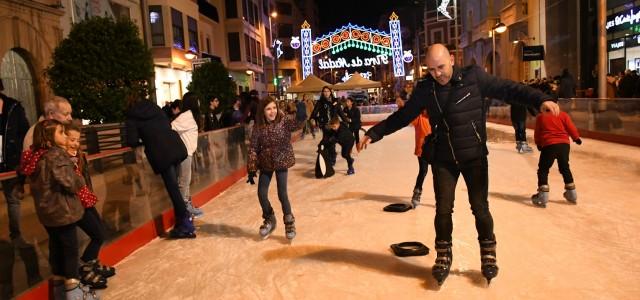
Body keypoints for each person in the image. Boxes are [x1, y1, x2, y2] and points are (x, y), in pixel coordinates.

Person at [357, 44, 559, 285]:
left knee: (479, 207)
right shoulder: (426, 88)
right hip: (443, 158)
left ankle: (488, 253)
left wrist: (541, 99)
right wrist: (375, 132)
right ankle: (443, 253)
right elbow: (403, 116)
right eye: (431, 69)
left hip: (473, 156)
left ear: (452, 60)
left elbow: (508, 89)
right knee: (443, 210)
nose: (437, 74)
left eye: (441, 67)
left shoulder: (474, 77)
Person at [20, 119, 98, 299]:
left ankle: (59, 291)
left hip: (47, 213)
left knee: (56, 249)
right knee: (71, 252)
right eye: (61, 132)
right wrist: (79, 178)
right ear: (49, 137)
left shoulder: (36, 155)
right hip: (63, 212)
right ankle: (75, 295)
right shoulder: (56, 155)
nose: (65, 135)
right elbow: (69, 182)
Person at [124, 91, 193, 239]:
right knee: (175, 187)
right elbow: (167, 123)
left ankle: (186, 224)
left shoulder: (131, 115)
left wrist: (145, 140)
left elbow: (132, 140)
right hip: (175, 146)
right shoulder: (154, 107)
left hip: (160, 152)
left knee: (173, 189)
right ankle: (182, 223)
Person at [64, 123, 115, 289]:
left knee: (101, 230)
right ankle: (86, 267)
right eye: (71, 140)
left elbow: (84, 179)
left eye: (77, 140)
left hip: (86, 200)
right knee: (98, 234)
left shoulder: (78, 156)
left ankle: (92, 263)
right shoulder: (61, 160)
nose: (75, 144)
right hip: (76, 204)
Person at [246, 97, 302, 240]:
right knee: (261, 193)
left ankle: (289, 222)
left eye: (274, 108)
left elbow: (296, 123)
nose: (272, 112)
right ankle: (270, 218)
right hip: (266, 162)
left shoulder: (284, 121)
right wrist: (251, 167)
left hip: (282, 160)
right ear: (263, 111)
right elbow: (253, 147)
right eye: (268, 109)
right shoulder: (258, 127)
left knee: (282, 193)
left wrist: (301, 116)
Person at [531, 108, 581, 207]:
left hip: (549, 144)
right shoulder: (563, 115)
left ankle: (543, 194)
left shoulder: (541, 116)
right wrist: (576, 138)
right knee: (564, 167)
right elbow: (570, 127)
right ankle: (572, 193)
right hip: (564, 145)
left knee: (543, 169)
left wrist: (538, 143)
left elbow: (538, 132)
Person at [0, 80, 30, 246]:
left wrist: (19, 156)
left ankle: (16, 235)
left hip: (10, 161)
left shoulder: (13, 107)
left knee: (13, 200)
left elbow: (24, 132)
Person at [171, 92, 203, 218]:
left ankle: (187, 205)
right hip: (184, 154)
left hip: (189, 153)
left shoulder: (191, 116)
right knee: (183, 182)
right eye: (198, 100)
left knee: (187, 181)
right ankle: (182, 210)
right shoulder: (186, 116)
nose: (200, 103)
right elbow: (171, 127)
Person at [310, 86, 348, 166]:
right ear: (322, 93)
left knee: (332, 142)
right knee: (327, 140)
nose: (326, 93)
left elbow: (340, 112)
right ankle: (329, 156)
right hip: (325, 125)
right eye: (324, 91)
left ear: (330, 92)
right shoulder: (320, 102)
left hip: (334, 125)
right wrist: (312, 118)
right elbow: (314, 112)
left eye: (327, 91)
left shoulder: (335, 101)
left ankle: (332, 158)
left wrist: (346, 121)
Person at [409, 108, 431, 208]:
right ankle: (417, 193)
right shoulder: (419, 118)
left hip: (435, 149)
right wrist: (401, 108)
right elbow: (407, 118)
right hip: (422, 150)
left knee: (438, 173)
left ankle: (441, 197)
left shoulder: (435, 118)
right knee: (423, 171)